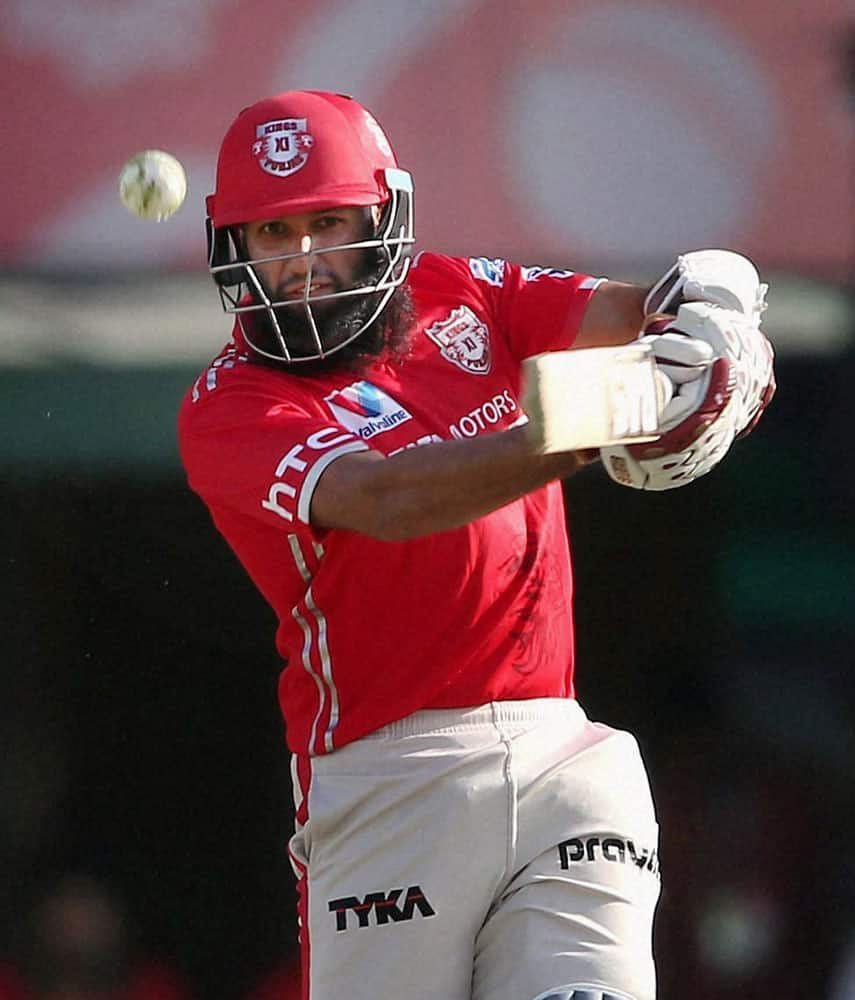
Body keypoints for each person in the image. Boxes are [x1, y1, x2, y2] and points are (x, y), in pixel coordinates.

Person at [178, 90, 774, 1000]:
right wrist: (581, 426)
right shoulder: (227, 406)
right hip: (386, 782)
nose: (301, 261)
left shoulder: (462, 290)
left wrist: (718, 326)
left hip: (562, 756)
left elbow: (642, 323)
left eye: (329, 222)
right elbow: (387, 500)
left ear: (384, 217)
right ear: (233, 245)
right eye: (272, 234)